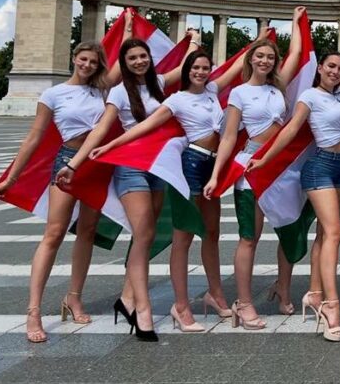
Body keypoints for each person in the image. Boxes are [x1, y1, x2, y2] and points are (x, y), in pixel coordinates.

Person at [87, 39, 249, 332]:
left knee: (212, 232)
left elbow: (238, 64)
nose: (200, 71)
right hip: (191, 166)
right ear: (186, 72)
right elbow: (143, 128)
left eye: (205, 67)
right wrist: (111, 145)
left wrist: (262, 43)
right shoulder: (175, 99)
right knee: (183, 236)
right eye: (195, 68)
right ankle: (182, 307)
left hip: (215, 165)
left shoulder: (213, 90)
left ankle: (215, 294)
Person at [0, 16, 133, 343]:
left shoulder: (103, 89)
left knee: (87, 231)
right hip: (68, 161)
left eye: (93, 61)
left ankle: (74, 296)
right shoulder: (53, 94)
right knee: (54, 233)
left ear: (98, 65)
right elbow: (35, 138)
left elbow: (125, 61)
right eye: (83, 59)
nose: (87, 65)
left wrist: (126, 29)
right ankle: (34, 310)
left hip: (97, 164)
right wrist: (11, 178)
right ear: (74, 59)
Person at [57, 33, 192, 342]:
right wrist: (74, 163)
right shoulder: (118, 92)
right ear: (124, 63)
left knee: (148, 233)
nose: (139, 61)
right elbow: (102, 128)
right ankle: (142, 310)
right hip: (131, 166)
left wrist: (192, 41)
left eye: (142, 55)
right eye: (131, 58)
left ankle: (128, 298)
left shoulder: (160, 82)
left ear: (149, 57)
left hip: (159, 165)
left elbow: (187, 66)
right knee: (143, 233)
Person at [203, 8, 307, 330]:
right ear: (250, 59)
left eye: (270, 57)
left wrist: (296, 22)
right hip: (251, 167)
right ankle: (244, 302)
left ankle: (282, 287)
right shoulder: (239, 92)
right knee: (250, 236)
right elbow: (229, 136)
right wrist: (216, 174)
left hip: (281, 169)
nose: (265, 61)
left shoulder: (279, 88)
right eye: (259, 56)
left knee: (289, 229)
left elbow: (298, 52)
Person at [248, 50, 340, 341]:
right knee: (335, 232)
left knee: (324, 235)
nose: (335, 71)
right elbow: (291, 129)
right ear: (319, 68)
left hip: (339, 168)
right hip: (319, 167)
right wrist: (265, 158)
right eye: (330, 66)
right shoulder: (309, 96)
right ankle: (332, 307)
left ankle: (315, 293)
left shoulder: (338, 96)